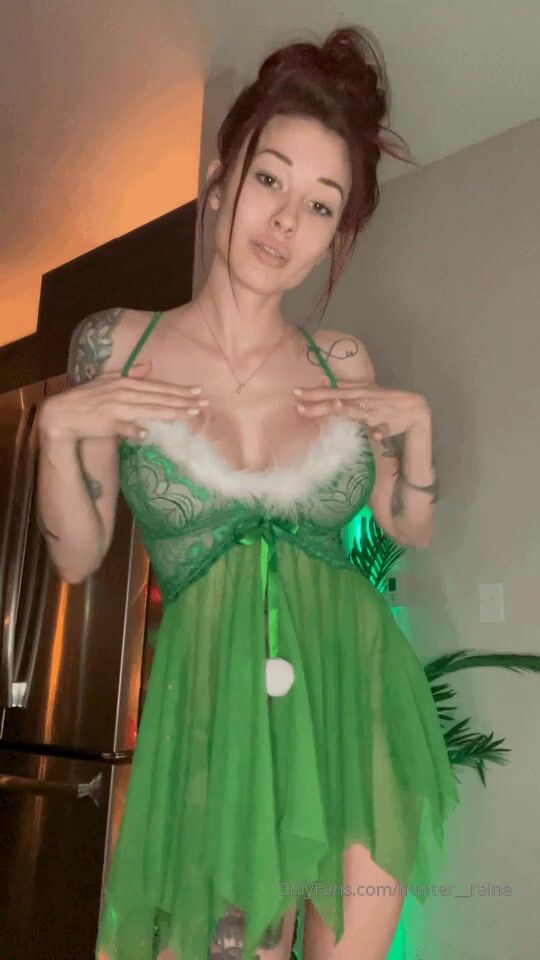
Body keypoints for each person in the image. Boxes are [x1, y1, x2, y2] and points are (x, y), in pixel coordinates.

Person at [36, 23, 458, 960]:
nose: (284, 222)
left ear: (335, 235)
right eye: (270, 180)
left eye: (320, 205)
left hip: (358, 706)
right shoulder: (116, 344)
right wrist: (55, 431)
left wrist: (419, 433)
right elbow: (76, 554)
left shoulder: (341, 360)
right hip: (217, 725)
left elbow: (406, 523)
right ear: (221, 181)